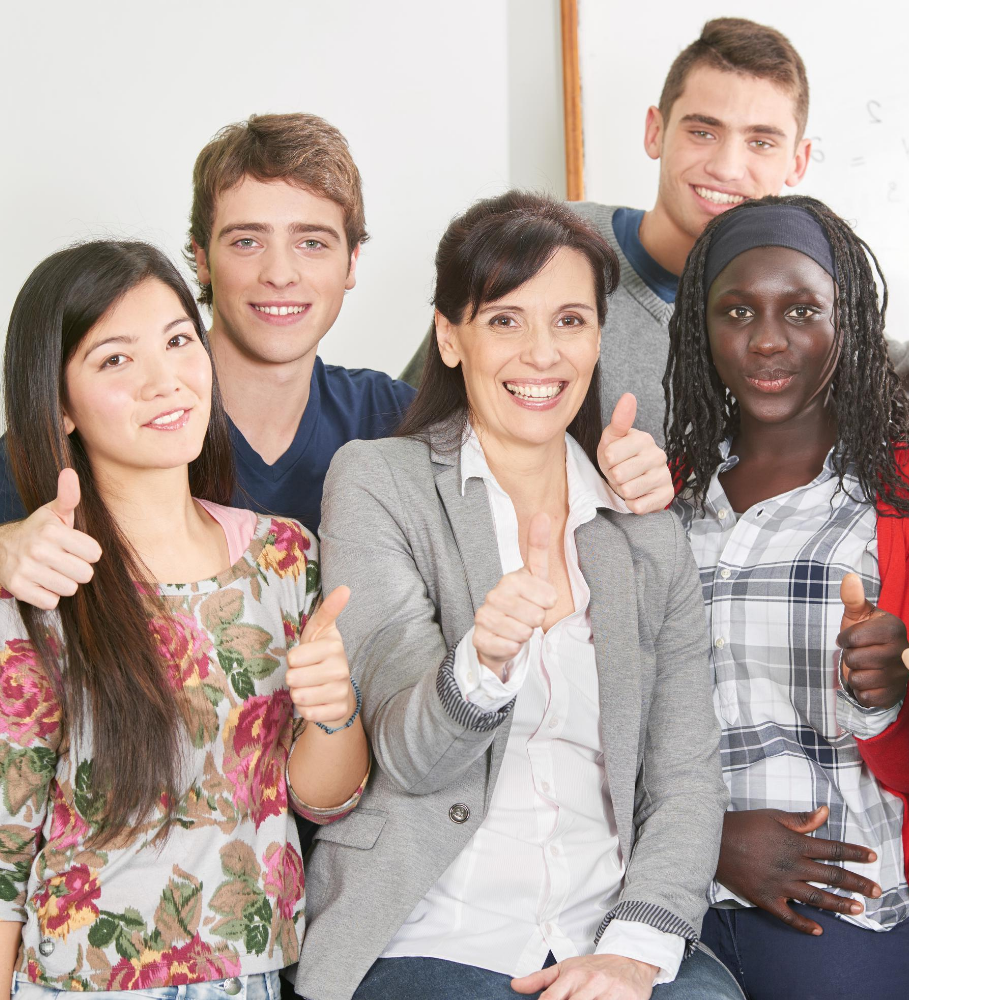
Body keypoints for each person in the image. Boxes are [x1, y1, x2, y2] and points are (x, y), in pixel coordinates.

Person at [296, 192, 742, 1000]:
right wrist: (484, 661)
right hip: (430, 931)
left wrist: (632, 953)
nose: (543, 354)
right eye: (506, 320)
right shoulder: (379, 483)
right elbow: (405, 755)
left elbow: (685, 777)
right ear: (449, 336)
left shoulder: (646, 529)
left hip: (603, 929)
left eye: (570, 321)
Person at [0, 114, 673, 611]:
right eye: (246, 241)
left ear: (353, 264)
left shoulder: (394, 419)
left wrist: (617, 473)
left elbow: (527, 476)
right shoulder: (90, 427)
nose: (281, 274)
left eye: (313, 243)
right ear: (199, 260)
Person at [0, 241, 369, 999]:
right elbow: (5, 850)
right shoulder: (46, 579)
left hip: (254, 970)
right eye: (114, 361)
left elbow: (320, 799)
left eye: (176, 341)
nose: (164, 379)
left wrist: (335, 711)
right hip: (81, 982)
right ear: (59, 406)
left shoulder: (285, 558)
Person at [400, 18, 909, 441]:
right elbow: (413, 420)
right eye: (703, 131)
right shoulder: (547, 249)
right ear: (655, 131)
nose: (728, 168)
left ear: (797, 162)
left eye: (761, 142)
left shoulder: (811, 305)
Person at [664, 195, 908, 1000]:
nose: (768, 340)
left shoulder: (904, 493)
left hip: (842, 894)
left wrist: (902, 679)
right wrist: (704, 841)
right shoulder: (658, 495)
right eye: (738, 311)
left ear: (851, 322)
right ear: (702, 328)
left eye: (802, 310)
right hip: (665, 892)